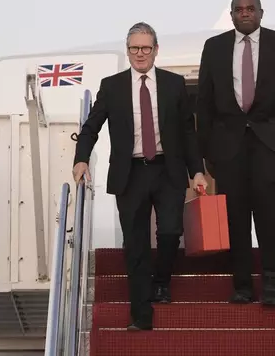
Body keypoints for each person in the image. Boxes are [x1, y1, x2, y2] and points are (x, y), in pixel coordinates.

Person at [73, 22, 208, 330]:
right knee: (135, 244)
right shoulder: (112, 86)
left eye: (146, 47)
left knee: (171, 231)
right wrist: (81, 159)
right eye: (134, 48)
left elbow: (188, 132)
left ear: (156, 50)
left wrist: (197, 171)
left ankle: (161, 281)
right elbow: (91, 127)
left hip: (167, 169)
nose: (140, 54)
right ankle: (141, 316)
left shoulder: (174, 85)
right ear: (128, 50)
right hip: (130, 173)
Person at [196, 0, 275, 306]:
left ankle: (271, 280)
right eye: (239, 9)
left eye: (250, 9)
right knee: (235, 209)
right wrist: (204, 149)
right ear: (231, 14)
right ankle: (243, 285)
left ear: (261, 13)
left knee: (264, 199)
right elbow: (204, 102)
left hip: (267, 136)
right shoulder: (215, 47)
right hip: (227, 141)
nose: (245, 13)